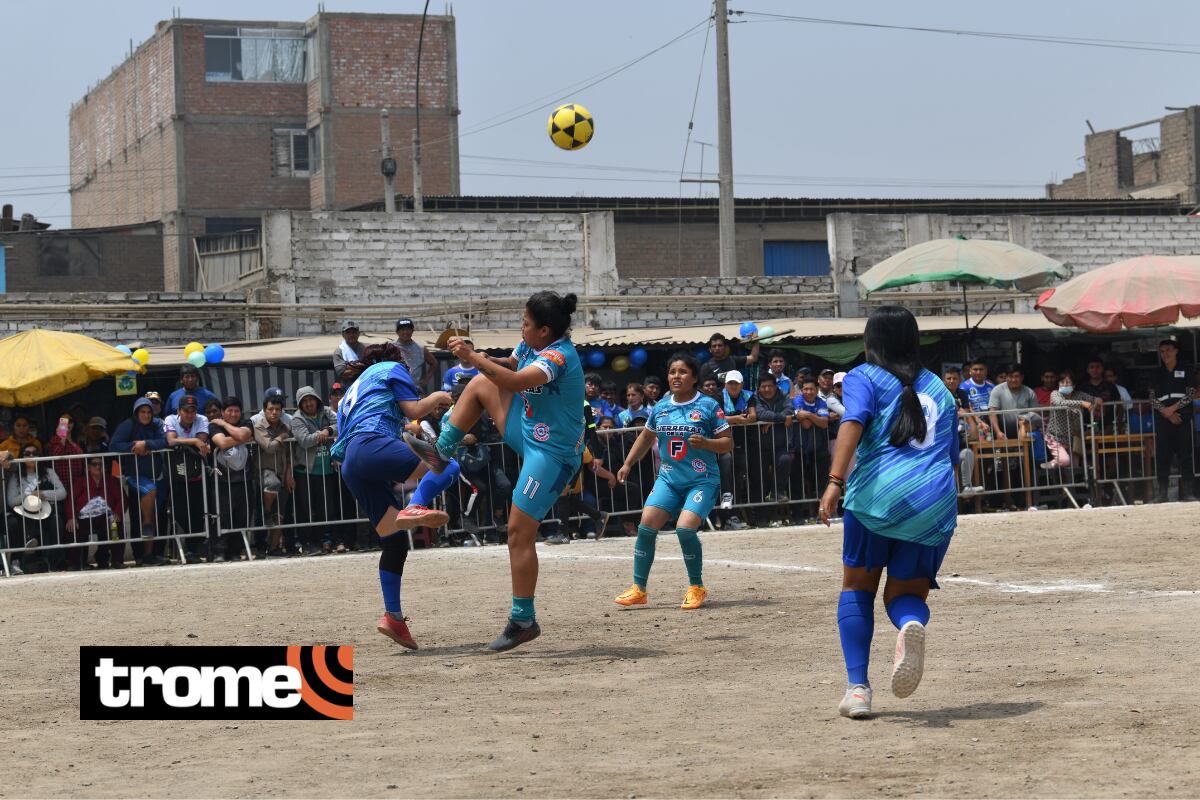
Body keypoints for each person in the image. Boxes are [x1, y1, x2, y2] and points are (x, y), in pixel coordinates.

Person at [406, 291, 584, 652]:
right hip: (528, 430)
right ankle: (442, 453)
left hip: (552, 455)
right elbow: (511, 365)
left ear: (546, 331)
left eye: (526, 323)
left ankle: (522, 620)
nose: (521, 327)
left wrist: (473, 357)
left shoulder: (558, 356)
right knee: (480, 383)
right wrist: (486, 360)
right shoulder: (532, 345)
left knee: (518, 531)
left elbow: (518, 382)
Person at [819, 306, 958, 720]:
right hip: (932, 502)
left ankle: (858, 690)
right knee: (905, 594)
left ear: (871, 342)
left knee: (858, 588)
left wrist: (834, 481)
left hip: (878, 498)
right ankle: (909, 626)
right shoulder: (941, 389)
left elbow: (852, 424)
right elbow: (950, 457)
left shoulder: (864, 376)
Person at [332, 343, 461, 650]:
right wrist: (441, 397)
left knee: (394, 542)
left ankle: (393, 617)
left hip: (352, 463)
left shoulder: (352, 391)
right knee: (447, 464)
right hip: (370, 444)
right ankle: (415, 505)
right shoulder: (391, 369)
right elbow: (415, 409)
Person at [613, 352, 731, 609]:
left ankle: (696, 587)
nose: (676, 376)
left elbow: (727, 443)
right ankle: (638, 589)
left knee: (685, 529)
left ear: (694, 377)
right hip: (668, 480)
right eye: (672, 372)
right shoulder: (661, 407)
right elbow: (645, 438)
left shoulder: (709, 406)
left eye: (682, 372)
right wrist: (627, 464)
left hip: (701, 480)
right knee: (645, 526)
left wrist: (707, 442)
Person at [110, 398, 168, 566]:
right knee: (140, 517)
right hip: (135, 476)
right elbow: (114, 445)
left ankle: (151, 555)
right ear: (136, 413)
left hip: (156, 476)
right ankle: (140, 555)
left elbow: (165, 441)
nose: (146, 415)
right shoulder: (128, 425)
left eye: (149, 412)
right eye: (143, 412)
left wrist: (146, 444)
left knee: (158, 516)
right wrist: (134, 446)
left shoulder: (157, 424)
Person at [290, 386, 343, 553]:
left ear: (317, 399)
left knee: (327, 508)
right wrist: (322, 435)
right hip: (305, 471)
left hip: (326, 469)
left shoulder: (326, 411)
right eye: (304, 401)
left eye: (310, 399)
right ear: (300, 404)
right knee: (305, 509)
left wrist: (326, 430)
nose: (308, 403)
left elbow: (339, 423)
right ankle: (307, 543)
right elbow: (304, 440)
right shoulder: (297, 418)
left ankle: (327, 541)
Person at [1148, 339, 1197, 502]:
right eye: (1162, 351)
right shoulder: (1156, 373)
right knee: (1162, 456)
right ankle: (1162, 493)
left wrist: (1173, 409)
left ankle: (1188, 492)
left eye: (1168, 350)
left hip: (1183, 418)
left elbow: (1191, 394)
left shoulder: (1187, 369)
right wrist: (1167, 413)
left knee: (1186, 454)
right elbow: (1152, 397)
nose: (1165, 354)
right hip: (1163, 420)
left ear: (1176, 351)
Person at [163, 395, 211, 559]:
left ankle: (194, 549)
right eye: (186, 411)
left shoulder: (202, 419)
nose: (190, 414)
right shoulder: (170, 419)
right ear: (179, 411)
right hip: (177, 476)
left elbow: (202, 441)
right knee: (180, 513)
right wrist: (194, 442)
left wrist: (187, 441)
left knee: (198, 513)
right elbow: (171, 441)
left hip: (197, 475)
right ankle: (190, 547)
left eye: (193, 411)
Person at [208, 396, 256, 560]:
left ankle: (236, 551)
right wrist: (240, 437)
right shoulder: (214, 426)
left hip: (245, 479)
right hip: (222, 481)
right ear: (223, 412)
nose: (234, 414)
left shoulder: (246, 422)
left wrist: (225, 425)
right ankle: (219, 551)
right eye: (229, 411)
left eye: (236, 410)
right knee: (223, 516)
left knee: (242, 516)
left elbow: (245, 434)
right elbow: (220, 443)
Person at [64, 452, 125, 570]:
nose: (98, 467)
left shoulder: (112, 480)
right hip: (84, 518)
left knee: (115, 525)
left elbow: (122, 499)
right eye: (94, 464)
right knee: (71, 527)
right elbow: (70, 500)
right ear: (88, 467)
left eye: (101, 464)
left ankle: (115, 560)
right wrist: (71, 517)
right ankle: (75, 563)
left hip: (106, 516)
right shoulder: (80, 481)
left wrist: (117, 512)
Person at [1044, 371, 1097, 470]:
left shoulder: (1079, 395)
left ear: (1074, 385)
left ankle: (1071, 485)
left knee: (1075, 467)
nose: (1064, 385)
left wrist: (1098, 400)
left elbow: (1093, 399)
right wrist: (1082, 403)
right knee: (1064, 460)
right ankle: (1053, 463)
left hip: (1073, 439)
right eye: (1062, 382)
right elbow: (1059, 403)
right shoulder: (1055, 394)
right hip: (1056, 437)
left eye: (1067, 383)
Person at [792, 377, 832, 500]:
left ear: (817, 389)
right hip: (799, 448)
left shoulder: (821, 402)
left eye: (811, 389)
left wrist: (808, 414)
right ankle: (798, 513)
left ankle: (821, 510)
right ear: (801, 390)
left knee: (820, 480)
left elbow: (824, 423)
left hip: (818, 447)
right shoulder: (797, 400)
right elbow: (805, 424)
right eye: (805, 389)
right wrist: (816, 417)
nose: (808, 392)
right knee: (798, 481)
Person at [986, 364, 1040, 440]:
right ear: (1006, 377)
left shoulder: (1030, 392)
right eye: (1010, 376)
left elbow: (1035, 415)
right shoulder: (997, 390)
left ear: (1022, 377)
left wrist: (1024, 427)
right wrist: (998, 432)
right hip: (1002, 430)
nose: (1013, 380)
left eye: (1016, 376)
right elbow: (992, 412)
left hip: (1025, 429)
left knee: (1036, 435)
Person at [394, 318, 438, 393]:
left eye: (408, 329)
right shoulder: (391, 347)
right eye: (402, 329)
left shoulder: (420, 348)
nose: (405, 332)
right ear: (397, 332)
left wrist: (425, 380)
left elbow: (434, 363)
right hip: (395, 388)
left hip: (414, 389)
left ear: (412, 331)